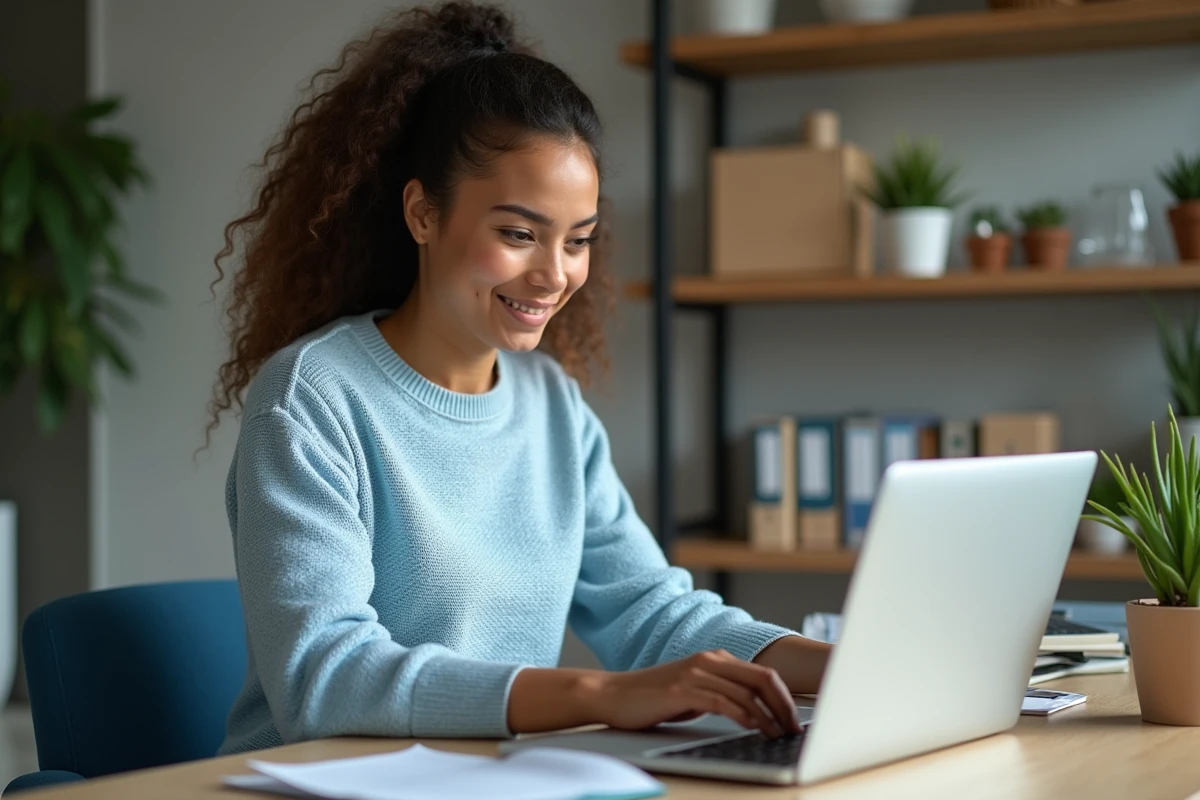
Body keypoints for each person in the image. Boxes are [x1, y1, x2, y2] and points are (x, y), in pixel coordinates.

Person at [208, 1, 831, 756]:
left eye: (579, 241)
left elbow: (652, 611)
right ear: (422, 214)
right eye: (518, 234)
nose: (555, 274)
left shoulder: (552, 407)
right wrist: (599, 695)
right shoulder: (312, 397)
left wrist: (850, 669)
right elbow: (326, 680)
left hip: (491, 777)